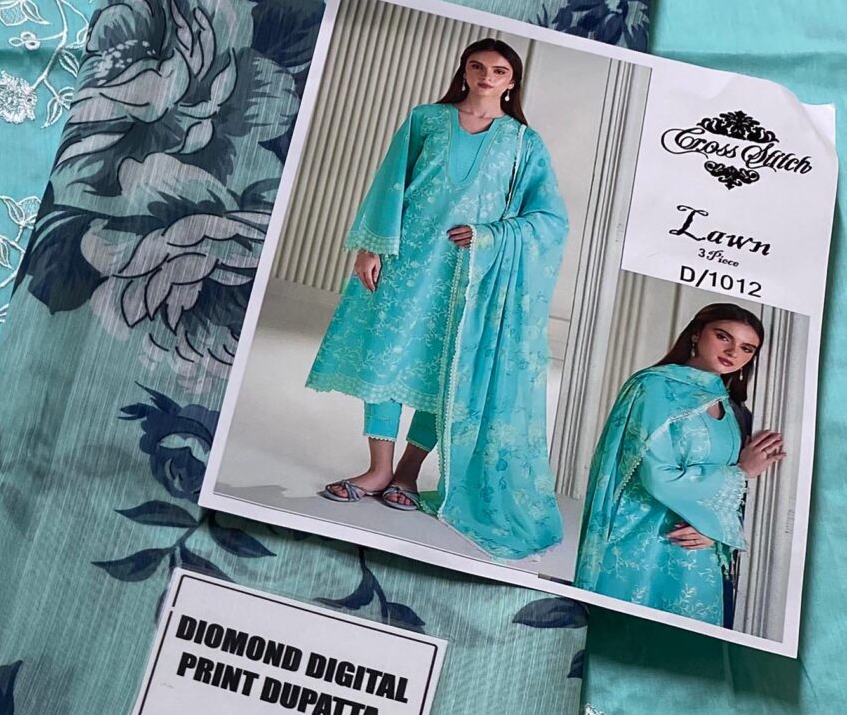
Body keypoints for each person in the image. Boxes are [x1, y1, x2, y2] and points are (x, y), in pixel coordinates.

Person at [306, 38, 568, 558]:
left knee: (444, 368)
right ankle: (378, 469)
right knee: (385, 357)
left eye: (499, 70)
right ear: (463, 71)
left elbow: (549, 218)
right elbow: (389, 184)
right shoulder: (426, 119)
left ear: (512, 81)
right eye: (478, 66)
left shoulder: (524, 143)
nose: (487, 76)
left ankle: (408, 473)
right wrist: (371, 247)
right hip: (406, 260)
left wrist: (492, 235)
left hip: (471, 276)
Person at [575, 304, 784, 627]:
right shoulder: (654, 387)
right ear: (697, 333)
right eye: (723, 337)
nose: (733, 352)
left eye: (747, 348)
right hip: (640, 546)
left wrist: (715, 529)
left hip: (697, 557)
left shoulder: (734, 411)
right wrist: (741, 472)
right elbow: (657, 477)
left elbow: (730, 501)